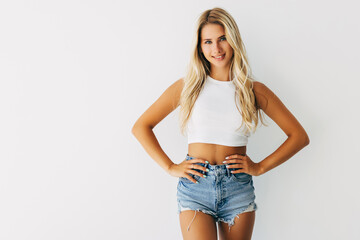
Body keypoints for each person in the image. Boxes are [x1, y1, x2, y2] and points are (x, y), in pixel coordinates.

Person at [131, 7, 310, 240]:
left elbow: (299, 136)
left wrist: (260, 167)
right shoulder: (188, 87)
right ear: (200, 46)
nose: (216, 48)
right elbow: (141, 126)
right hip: (195, 186)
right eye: (208, 41)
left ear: (233, 39)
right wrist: (171, 167)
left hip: (237, 187)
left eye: (222, 39)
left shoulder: (253, 90)